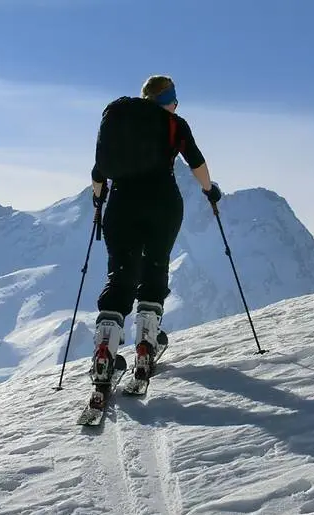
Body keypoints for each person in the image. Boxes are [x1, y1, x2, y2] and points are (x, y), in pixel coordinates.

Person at [89, 74, 222, 387]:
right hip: (163, 203)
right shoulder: (174, 123)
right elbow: (197, 163)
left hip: (121, 204)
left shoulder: (118, 121)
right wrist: (209, 191)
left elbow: (99, 171)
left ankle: (105, 351)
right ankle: (147, 344)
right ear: (170, 99)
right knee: (157, 263)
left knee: (120, 273)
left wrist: (99, 198)